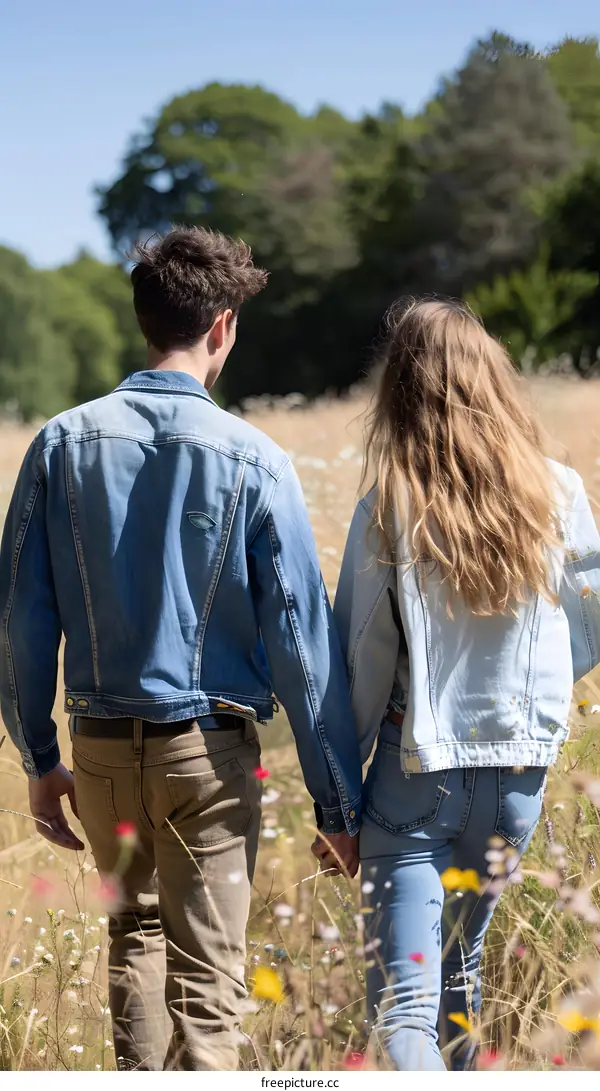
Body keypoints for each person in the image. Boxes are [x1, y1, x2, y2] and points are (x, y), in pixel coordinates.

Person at [0, 227, 361, 1071]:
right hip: (207, 754)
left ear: (142, 320)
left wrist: (38, 756)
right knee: (209, 985)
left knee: (135, 945)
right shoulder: (255, 458)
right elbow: (302, 645)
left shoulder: (59, 443)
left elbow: (18, 616)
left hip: (97, 753)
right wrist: (336, 802)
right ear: (224, 327)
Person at [333, 298, 600, 1071]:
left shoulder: (390, 501)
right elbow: (587, 620)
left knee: (407, 1003)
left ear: (402, 390)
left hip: (415, 773)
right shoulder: (558, 489)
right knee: (461, 977)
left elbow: (364, 655)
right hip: (519, 776)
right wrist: (543, 691)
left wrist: (340, 796)